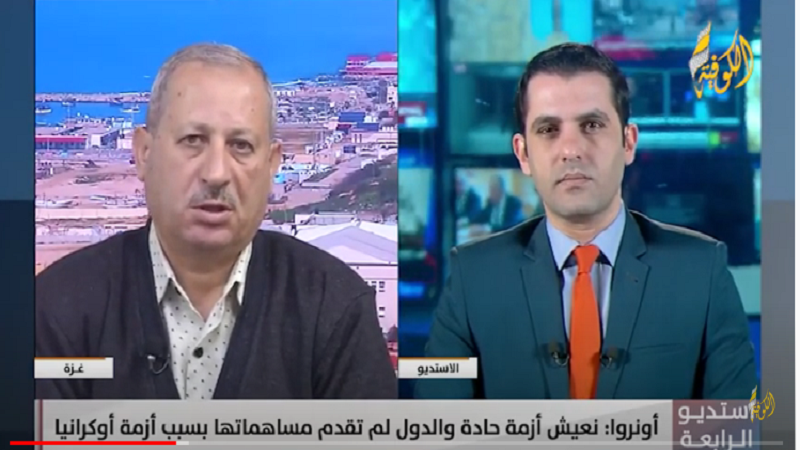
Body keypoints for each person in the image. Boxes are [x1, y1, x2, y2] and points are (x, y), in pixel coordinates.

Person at [36, 43, 396, 400]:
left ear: (272, 165)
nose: (216, 173)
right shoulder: (59, 307)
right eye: (193, 140)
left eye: (241, 145)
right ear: (144, 153)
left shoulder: (334, 306)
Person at [416, 43, 755, 400]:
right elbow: (434, 420)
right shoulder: (471, 277)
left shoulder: (702, 272)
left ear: (628, 142)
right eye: (549, 129)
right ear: (523, 153)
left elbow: (735, 422)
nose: (571, 150)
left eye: (591, 125)